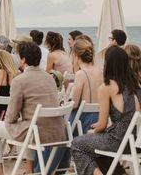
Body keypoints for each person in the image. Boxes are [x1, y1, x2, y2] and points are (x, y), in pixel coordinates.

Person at [0, 42, 65, 175]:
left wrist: (12, 120)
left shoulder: (20, 80)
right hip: (56, 131)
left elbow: (11, 115)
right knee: (28, 125)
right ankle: (29, 170)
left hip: (35, 133)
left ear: (23, 60)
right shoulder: (50, 78)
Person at [71, 46, 141, 175]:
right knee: (96, 148)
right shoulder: (133, 86)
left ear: (108, 63)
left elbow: (102, 125)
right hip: (134, 142)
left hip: (117, 141)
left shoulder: (107, 86)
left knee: (77, 144)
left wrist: (94, 131)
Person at [39, 37, 104, 173]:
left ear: (75, 55)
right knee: (63, 131)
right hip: (98, 117)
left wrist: (64, 103)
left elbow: (74, 104)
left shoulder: (81, 73)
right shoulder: (99, 71)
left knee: (56, 133)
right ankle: (59, 169)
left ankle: (45, 169)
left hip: (83, 120)